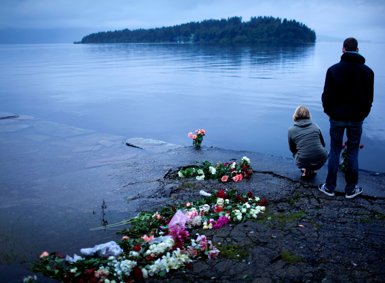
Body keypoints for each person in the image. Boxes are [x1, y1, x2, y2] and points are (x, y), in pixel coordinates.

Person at [319, 37, 374, 199]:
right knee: (353, 152)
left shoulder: (333, 70)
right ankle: (351, 189)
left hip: (336, 117)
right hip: (357, 118)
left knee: (335, 151)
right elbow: (369, 99)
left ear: (343, 49)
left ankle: (329, 187)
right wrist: (363, 114)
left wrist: (329, 112)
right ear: (357, 50)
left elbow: (326, 96)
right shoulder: (368, 72)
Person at [288, 105, 328, 179]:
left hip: (303, 161)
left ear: (295, 115)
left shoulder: (291, 130)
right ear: (309, 115)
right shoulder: (316, 126)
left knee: (296, 153)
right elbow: (323, 144)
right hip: (321, 159)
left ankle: (306, 170)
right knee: (316, 150)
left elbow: (292, 150)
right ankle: (312, 170)